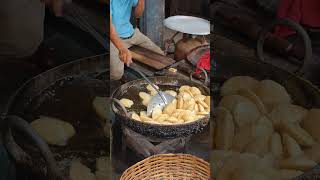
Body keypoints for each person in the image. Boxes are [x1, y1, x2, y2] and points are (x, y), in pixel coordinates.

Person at [110, 0, 164, 80]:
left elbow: (138, 15)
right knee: (116, 75)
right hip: (114, 39)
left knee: (160, 54)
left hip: (133, 33)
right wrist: (122, 48)